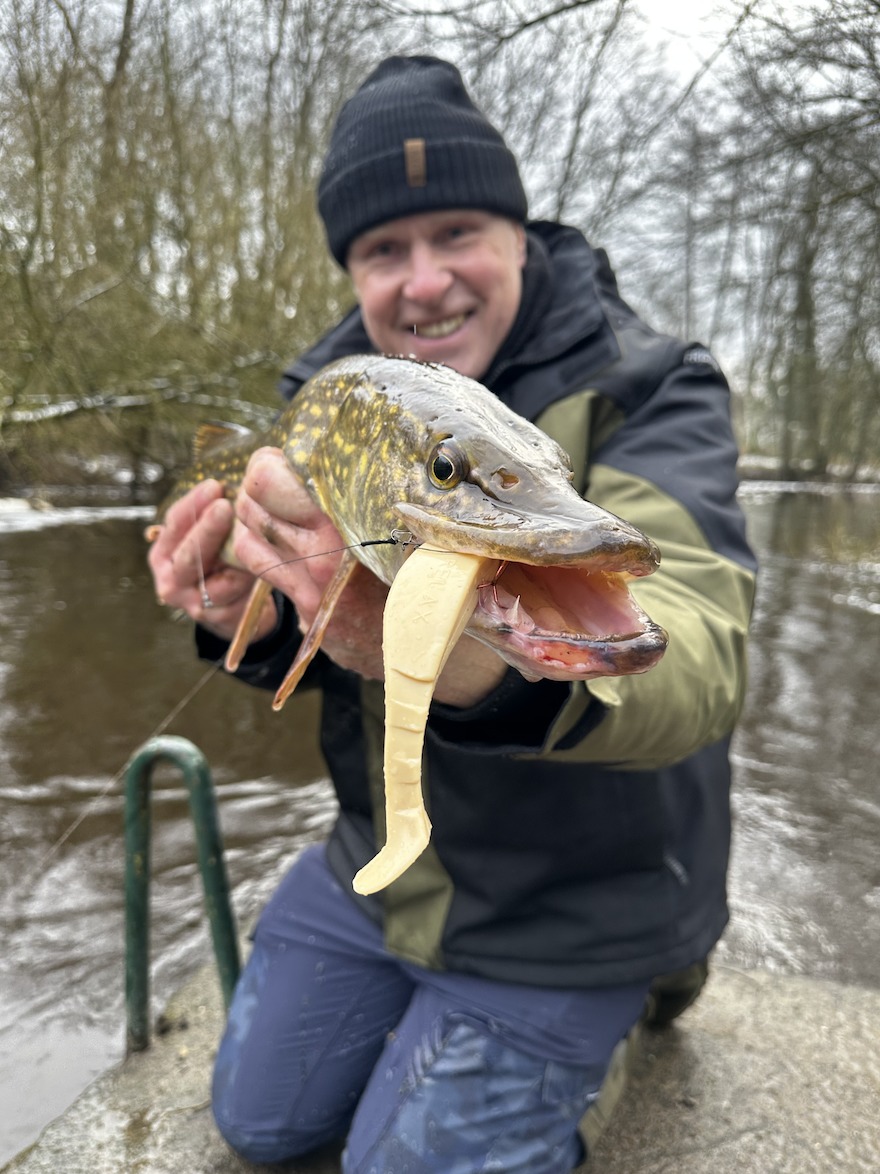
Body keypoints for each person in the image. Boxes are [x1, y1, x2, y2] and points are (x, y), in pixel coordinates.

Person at [147, 56, 756, 1173]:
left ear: (520, 233)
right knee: (259, 1121)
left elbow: (700, 654)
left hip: (575, 902)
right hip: (383, 866)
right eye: (384, 249)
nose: (423, 283)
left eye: (458, 233)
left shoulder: (651, 385)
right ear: (352, 271)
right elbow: (320, 637)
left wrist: (482, 662)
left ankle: (630, 1011)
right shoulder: (326, 405)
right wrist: (253, 610)